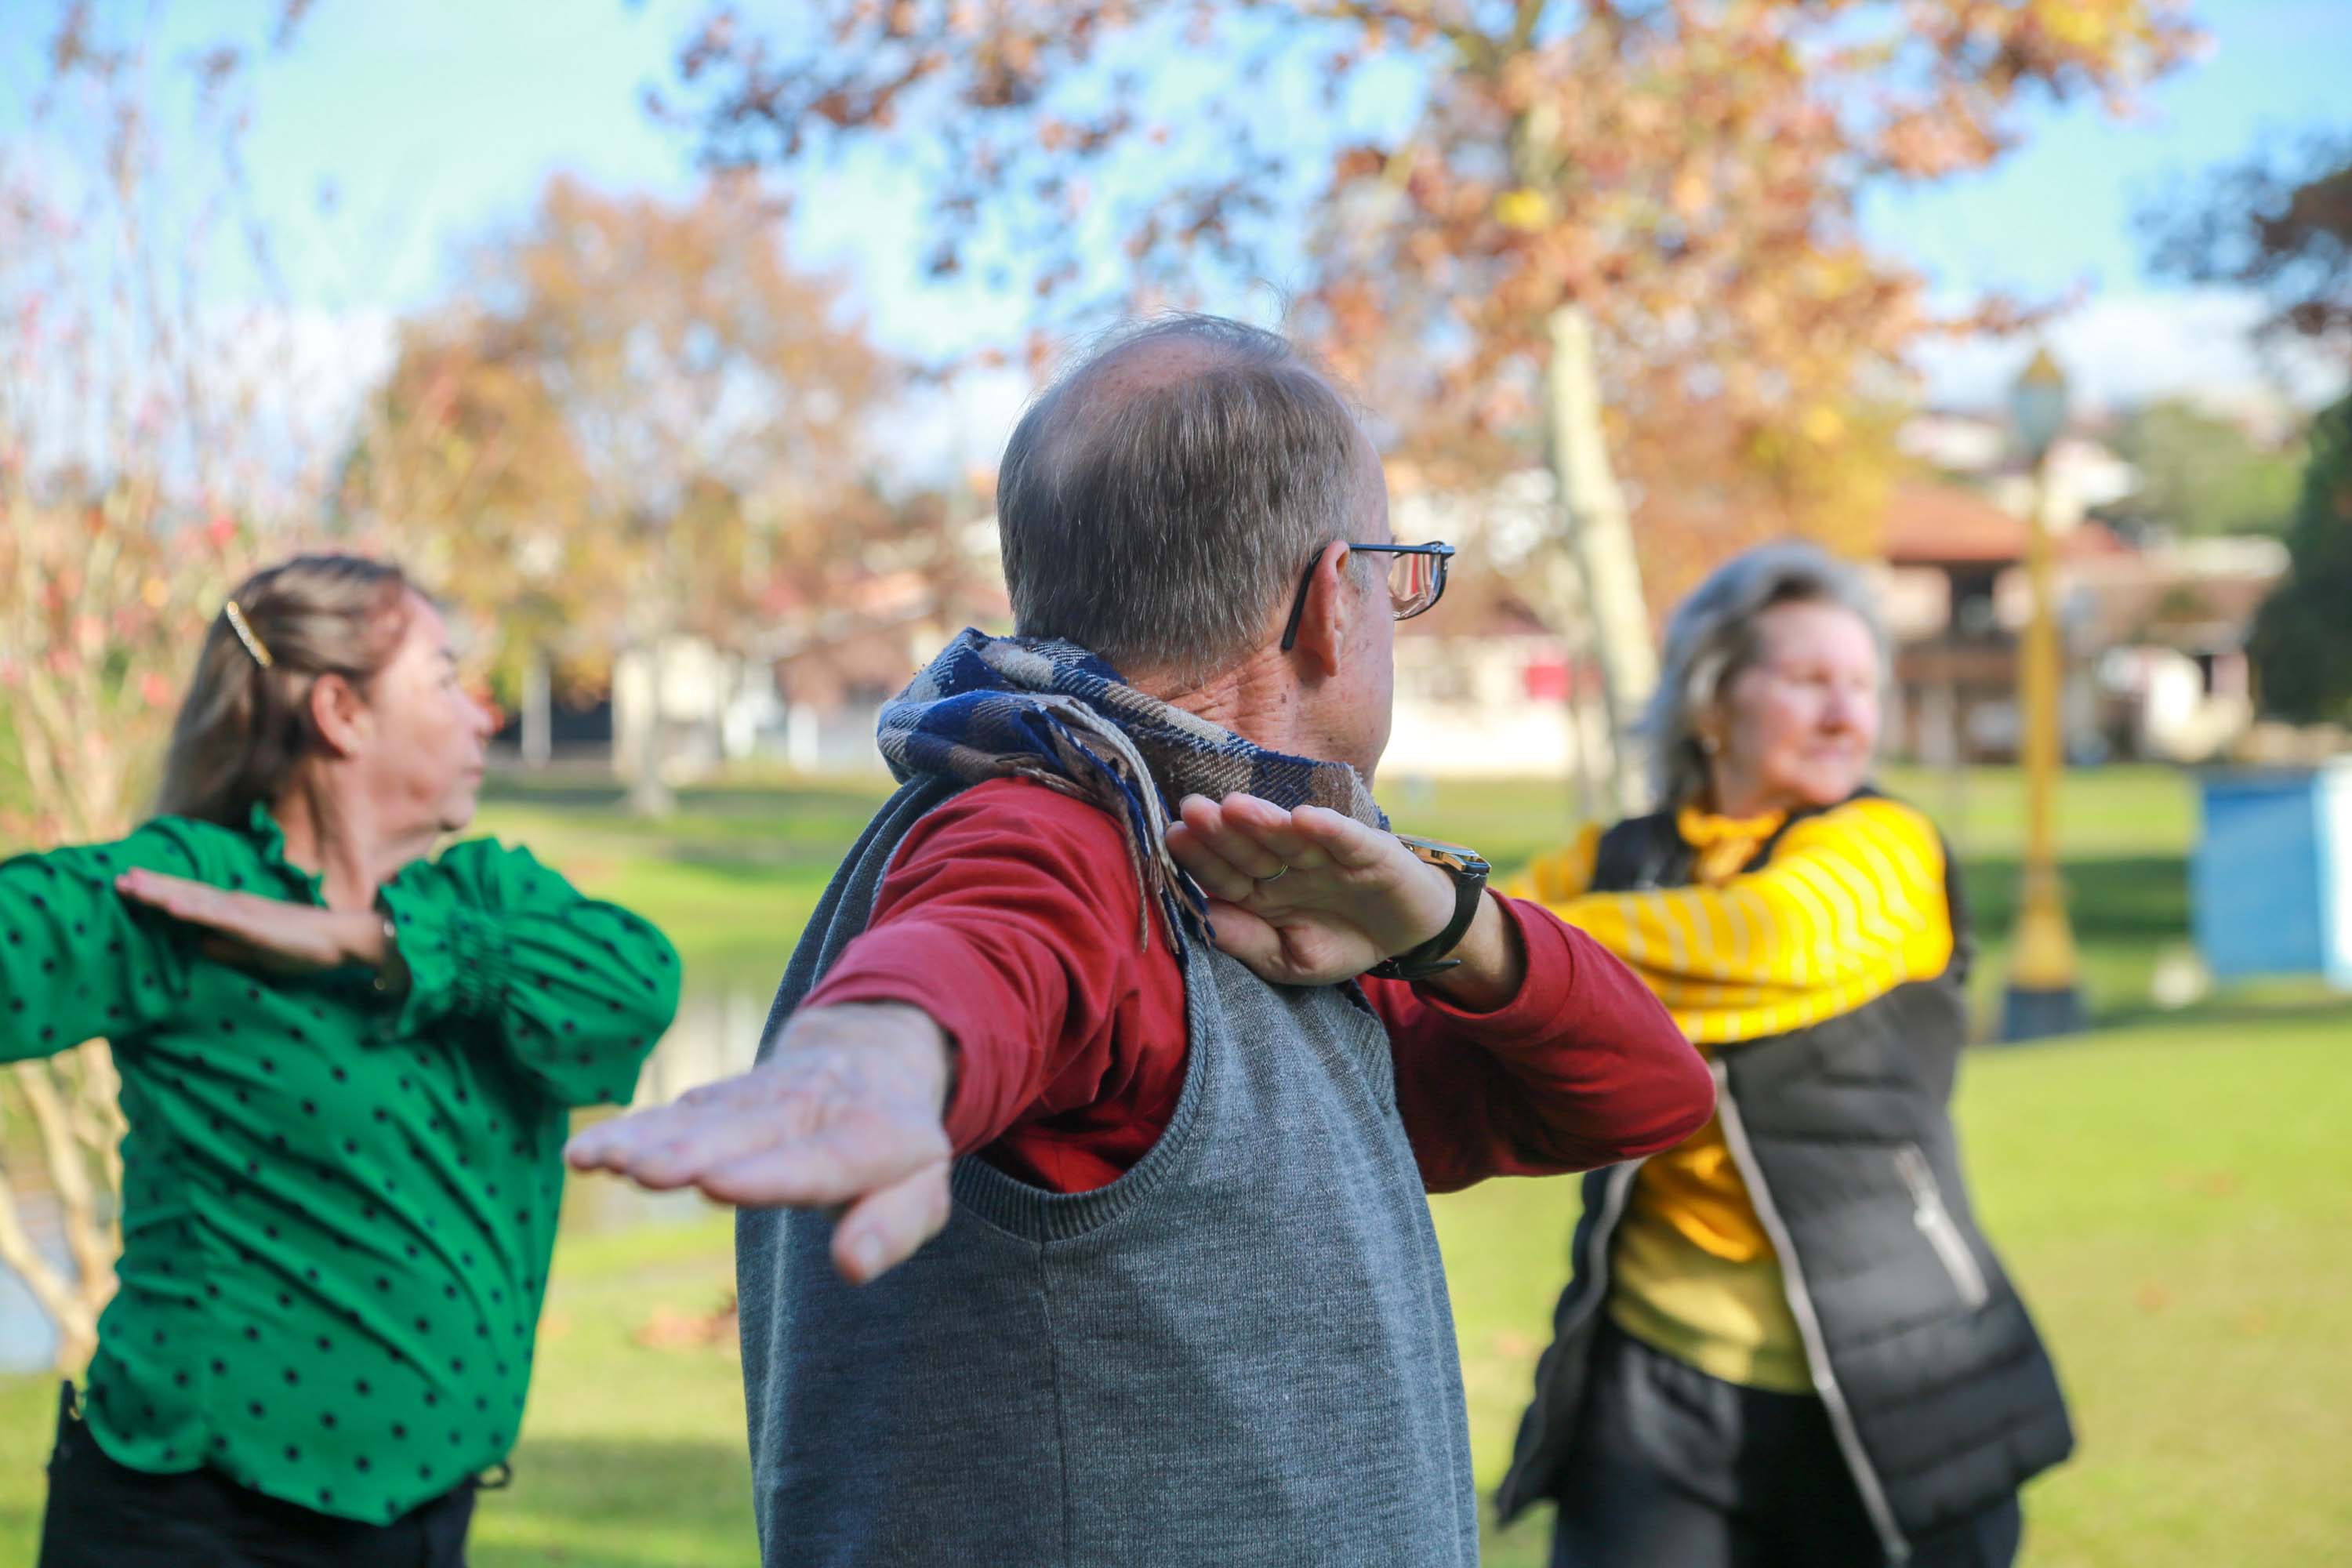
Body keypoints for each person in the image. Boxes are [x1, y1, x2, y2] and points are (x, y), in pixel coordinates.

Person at [566, 314, 1717, 1566]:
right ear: (1333, 601)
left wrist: (1450, 925)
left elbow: (1647, 1094)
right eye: (1398, 575)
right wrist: (883, 1060)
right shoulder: (1061, 826)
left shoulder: (1259, 894)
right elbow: (986, 941)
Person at [15, 554, 681, 1568]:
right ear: (341, 712)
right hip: (190, 1523)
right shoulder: (191, 895)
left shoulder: (491, 899)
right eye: (445, 680)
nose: (483, 716)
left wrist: (370, 944)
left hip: (424, 1526)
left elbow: (638, 990)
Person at [1494, 542, 2073, 1567]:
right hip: (1649, 1387)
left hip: (1896, 1378)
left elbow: (1760, 940)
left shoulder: (1888, 847)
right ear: (1712, 699)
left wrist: (1478, 934)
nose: (1848, 715)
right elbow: (1460, 961)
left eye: (1864, 685)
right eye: (1809, 680)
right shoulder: (1619, 860)